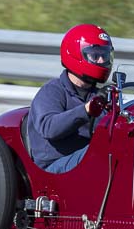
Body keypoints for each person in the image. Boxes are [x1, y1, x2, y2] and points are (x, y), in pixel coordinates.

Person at [27, 24, 114, 173]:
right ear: (75, 55)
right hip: (53, 166)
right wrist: (86, 110)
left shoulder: (98, 95)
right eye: (95, 55)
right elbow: (49, 128)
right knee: (98, 152)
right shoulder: (52, 91)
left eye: (104, 56)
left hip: (81, 162)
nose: (101, 61)